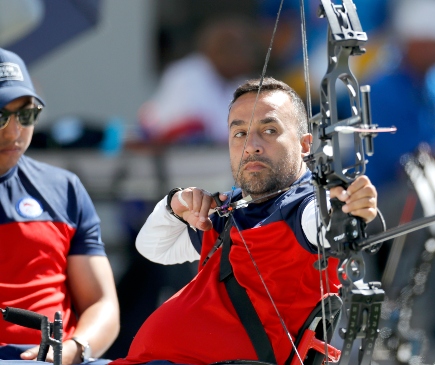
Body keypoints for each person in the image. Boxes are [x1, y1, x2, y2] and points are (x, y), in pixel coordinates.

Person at [109, 77, 378, 365]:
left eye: (270, 130)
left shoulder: (303, 207)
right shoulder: (231, 208)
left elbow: (325, 225)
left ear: (304, 145)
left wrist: (347, 207)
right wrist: (174, 206)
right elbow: (153, 249)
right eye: (239, 133)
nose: (251, 146)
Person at [361, 0, 435, 345]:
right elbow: (403, 166)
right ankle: (414, 320)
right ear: (420, 43)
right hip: (384, 195)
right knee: (432, 208)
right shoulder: (381, 87)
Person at [0, 48, 120, 364]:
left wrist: (73, 350)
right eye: (0, 116)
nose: (14, 132)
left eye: (26, 115)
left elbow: (102, 303)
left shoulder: (64, 188)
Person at [138, 17, 259, 144]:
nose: (248, 58)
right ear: (217, 50)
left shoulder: (239, 83)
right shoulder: (187, 75)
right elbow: (193, 128)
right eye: (237, 50)